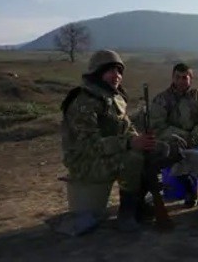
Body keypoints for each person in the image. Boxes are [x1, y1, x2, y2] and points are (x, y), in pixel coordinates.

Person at [60, 49, 156, 233]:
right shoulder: (84, 102)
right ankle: (126, 214)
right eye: (110, 70)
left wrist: (142, 141)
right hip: (84, 162)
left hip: (104, 154)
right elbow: (89, 146)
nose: (117, 76)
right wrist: (129, 143)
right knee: (131, 160)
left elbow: (127, 129)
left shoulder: (114, 98)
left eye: (119, 71)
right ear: (97, 73)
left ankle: (139, 203)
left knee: (153, 152)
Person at [149, 63, 198, 207]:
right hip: (172, 142)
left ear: (191, 79)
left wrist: (197, 134)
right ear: (172, 78)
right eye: (177, 77)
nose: (181, 81)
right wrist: (182, 136)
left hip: (197, 140)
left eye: (184, 77)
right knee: (174, 155)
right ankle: (187, 189)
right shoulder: (162, 99)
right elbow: (158, 127)